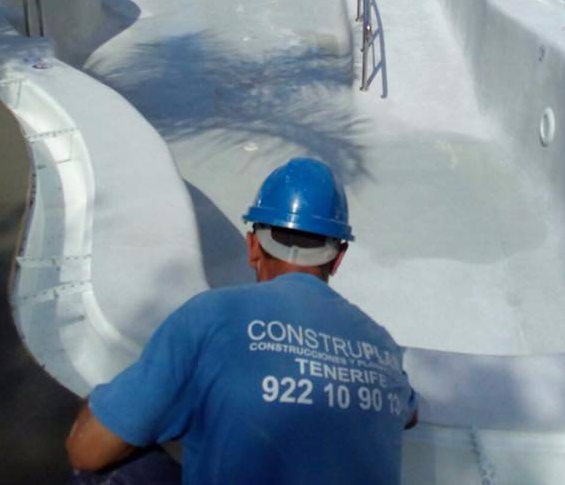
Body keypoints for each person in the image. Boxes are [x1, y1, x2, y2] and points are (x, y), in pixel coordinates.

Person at [66, 158, 418, 485]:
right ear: (338, 258)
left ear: (253, 246)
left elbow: (86, 450)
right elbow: (409, 413)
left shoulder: (211, 317)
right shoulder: (383, 347)